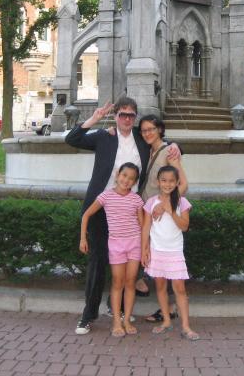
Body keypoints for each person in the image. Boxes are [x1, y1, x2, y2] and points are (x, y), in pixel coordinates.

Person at [66, 97, 181, 335]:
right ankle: (88, 315)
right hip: (101, 206)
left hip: (129, 210)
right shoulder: (104, 136)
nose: (127, 119)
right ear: (116, 116)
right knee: (98, 261)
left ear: (135, 118)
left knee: (130, 260)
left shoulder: (141, 138)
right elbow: (72, 139)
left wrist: (176, 146)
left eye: (131, 115)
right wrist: (95, 118)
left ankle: (116, 309)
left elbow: (160, 140)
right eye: (122, 115)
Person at [80, 162, 145, 337]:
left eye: (131, 178)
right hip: (116, 245)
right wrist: (83, 238)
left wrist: (146, 248)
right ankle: (116, 321)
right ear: (117, 174)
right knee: (117, 282)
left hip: (135, 244)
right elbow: (86, 214)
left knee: (130, 282)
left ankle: (126, 319)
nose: (126, 180)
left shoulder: (137, 199)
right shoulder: (106, 196)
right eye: (124, 176)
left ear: (135, 182)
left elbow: (142, 225)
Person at [136, 115, 189, 323]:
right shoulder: (148, 150)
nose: (147, 133)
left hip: (161, 215)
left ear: (160, 129)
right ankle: (163, 305)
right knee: (153, 259)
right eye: (144, 130)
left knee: (166, 265)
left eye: (151, 129)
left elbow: (183, 184)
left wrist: (164, 204)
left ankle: (169, 309)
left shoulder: (169, 151)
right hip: (148, 213)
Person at [142, 165, 199, 340]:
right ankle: (166, 321)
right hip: (156, 251)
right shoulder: (151, 202)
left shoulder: (182, 202)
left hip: (174, 252)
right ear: (158, 182)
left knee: (179, 289)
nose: (167, 184)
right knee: (160, 286)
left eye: (171, 181)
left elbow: (185, 226)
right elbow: (146, 227)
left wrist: (170, 210)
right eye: (164, 180)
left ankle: (186, 327)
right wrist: (144, 249)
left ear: (177, 183)